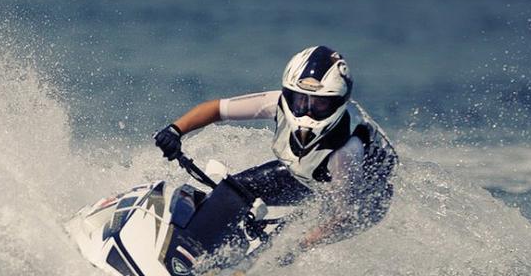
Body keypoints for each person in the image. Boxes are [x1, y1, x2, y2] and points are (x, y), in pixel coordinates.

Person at [153, 45, 397, 250]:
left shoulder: (345, 152)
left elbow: (345, 216)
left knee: (284, 242)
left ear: (338, 103)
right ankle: (188, 247)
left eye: (320, 104)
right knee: (232, 194)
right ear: (288, 94)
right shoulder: (277, 102)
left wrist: (300, 244)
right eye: (300, 100)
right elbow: (217, 109)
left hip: (360, 202)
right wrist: (175, 130)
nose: (307, 111)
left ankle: (241, 275)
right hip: (309, 178)